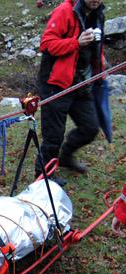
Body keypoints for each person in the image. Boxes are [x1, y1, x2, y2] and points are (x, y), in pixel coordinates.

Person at [35, 0, 105, 184]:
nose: (95, 0)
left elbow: (96, 46)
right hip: (56, 83)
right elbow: (46, 44)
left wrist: (100, 67)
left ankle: (65, 156)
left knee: (90, 128)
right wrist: (76, 42)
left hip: (82, 84)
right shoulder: (65, 11)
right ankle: (43, 178)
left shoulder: (99, 13)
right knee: (53, 136)